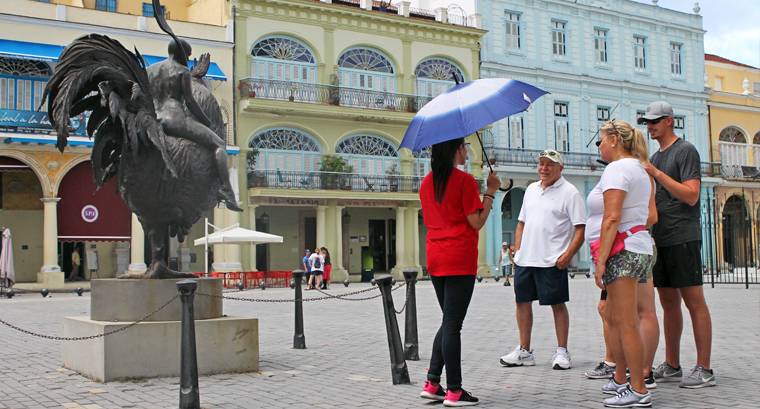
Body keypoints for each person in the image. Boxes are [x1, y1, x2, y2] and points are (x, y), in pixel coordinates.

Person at [418, 138, 500, 407]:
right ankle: (454, 390)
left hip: (436, 258)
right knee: (453, 324)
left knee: (448, 321)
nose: (466, 150)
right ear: (454, 150)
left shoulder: (426, 183)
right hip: (459, 257)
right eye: (463, 146)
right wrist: (490, 193)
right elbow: (476, 222)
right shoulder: (463, 181)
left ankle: (432, 382)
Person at [639, 101, 715, 388]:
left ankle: (705, 368)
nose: (650, 126)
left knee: (694, 302)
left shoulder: (685, 151)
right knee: (668, 303)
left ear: (670, 121)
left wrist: (656, 174)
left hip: (683, 235)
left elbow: (692, 195)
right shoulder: (655, 157)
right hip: (661, 238)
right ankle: (672, 364)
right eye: (647, 121)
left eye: (655, 121)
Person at [585, 119, 656, 407]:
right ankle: (624, 380)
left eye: (600, 140)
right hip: (640, 247)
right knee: (617, 317)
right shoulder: (639, 168)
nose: (598, 146)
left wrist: (601, 259)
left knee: (626, 322)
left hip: (623, 249)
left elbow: (612, 217)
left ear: (614, 139)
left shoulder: (617, 169)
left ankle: (638, 389)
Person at [499, 149, 585, 370]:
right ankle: (525, 351)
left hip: (552, 260)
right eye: (541, 164)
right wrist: (518, 251)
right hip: (526, 258)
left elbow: (580, 229)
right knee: (522, 302)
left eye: (550, 164)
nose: (544, 168)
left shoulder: (570, 192)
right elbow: (521, 223)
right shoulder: (531, 190)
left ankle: (562, 351)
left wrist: (568, 255)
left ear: (560, 168)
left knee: (557, 304)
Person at [146, 39, 241, 211]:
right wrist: (206, 121)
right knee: (219, 143)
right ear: (181, 52)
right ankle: (226, 189)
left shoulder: (150, 70)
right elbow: (190, 101)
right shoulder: (182, 71)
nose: (188, 58)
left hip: (155, 118)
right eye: (188, 55)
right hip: (175, 119)